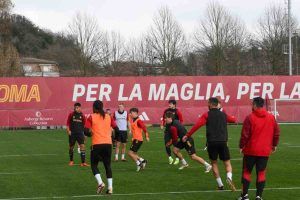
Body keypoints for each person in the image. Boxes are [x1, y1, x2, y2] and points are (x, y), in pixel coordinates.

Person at [183, 97, 237, 191]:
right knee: (227, 163)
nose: (207, 105)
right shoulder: (223, 114)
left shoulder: (206, 115)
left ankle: (220, 185)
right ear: (218, 104)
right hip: (223, 142)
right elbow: (233, 120)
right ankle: (229, 177)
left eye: (208, 103)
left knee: (214, 163)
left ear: (211, 104)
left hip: (211, 143)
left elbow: (197, 125)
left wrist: (187, 135)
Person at [237, 97, 280, 200]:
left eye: (252, 104)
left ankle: (245, 196)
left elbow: (245, 135)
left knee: (247, 172)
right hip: (264, 151)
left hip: (250, 150)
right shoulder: (271, 117)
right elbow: (277, 133)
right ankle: (259, 196)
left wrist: (241, 146)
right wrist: (274, 145)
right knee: (261, 173)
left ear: (255, 105)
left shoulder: (250, 117)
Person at [85, 100, 118, 195]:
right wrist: (115, 140)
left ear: (94, 107)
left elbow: (85, 131)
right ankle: (110, 188)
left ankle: (100, 183)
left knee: (94, 165)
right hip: (108, 144)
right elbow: (116, 129)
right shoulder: (108, 116)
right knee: (108, 166)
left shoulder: (91, 117)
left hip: (97, 144)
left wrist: (90, 133)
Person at [160, 100, 183, 165]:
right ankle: (170, 157)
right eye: (169, 104)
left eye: (170, 104)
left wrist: (179, 129)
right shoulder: (166, 111)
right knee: (166, 144)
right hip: (167, 130)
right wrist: (162, 124)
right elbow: (163, 118)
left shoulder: (177, 112)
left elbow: (181, 121)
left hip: (175, 130)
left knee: (175, 144)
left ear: (174, 105)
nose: (169, 105)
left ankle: (177, 158)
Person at [66, 102, 89, 166]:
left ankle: (83, 162)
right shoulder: (71, 114)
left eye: (77, 107)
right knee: (71, 147)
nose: (76, 108)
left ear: (80, 108)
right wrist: (68, 131)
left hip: (80, 133)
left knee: (82, 146)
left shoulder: (82, 116)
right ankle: (71, 161)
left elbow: (85, 125)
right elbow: (67, 124)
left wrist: (85, 134)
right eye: (75, 107)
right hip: (72, 133)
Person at [127, 107, 150, 172]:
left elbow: (144, 128)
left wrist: (147, 136)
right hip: (136, 139)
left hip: (138, 139)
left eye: (131, 113)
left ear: (135, 113)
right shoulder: (133, 119)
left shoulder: (139, 121)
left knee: (130, 153)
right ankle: (143, 160)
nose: (130, 114)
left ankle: (139, 163)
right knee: (134, 154)